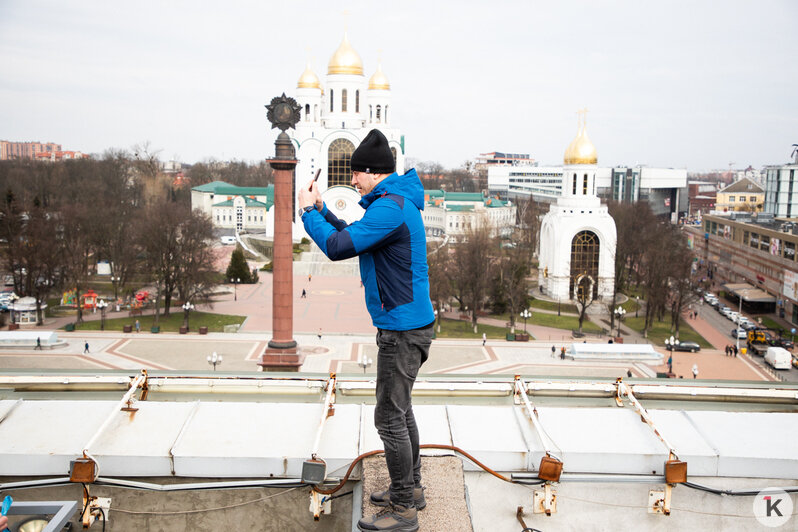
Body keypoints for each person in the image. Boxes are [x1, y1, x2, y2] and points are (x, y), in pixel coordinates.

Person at [299, 129, 434, 532]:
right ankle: (411, 488)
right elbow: (351, 235)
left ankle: (404, 508)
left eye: (356, 173)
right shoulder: (392, 203)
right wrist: (323, 211)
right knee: (401, 409)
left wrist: (306, 212)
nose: (352, 180)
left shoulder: (390, 209)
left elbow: (339, 248)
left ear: (373, 173)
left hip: (402, 329)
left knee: (389, 418)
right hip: (407, 324)